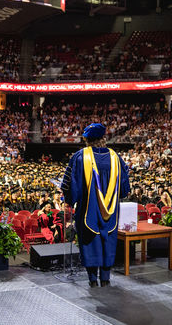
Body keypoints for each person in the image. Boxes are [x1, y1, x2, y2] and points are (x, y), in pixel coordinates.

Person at [62, 123, 131, 288]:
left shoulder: (79, 157)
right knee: (108, 241)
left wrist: (70, 200)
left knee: (90, 242)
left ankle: (93, 280)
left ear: (86, 139)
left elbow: (71, 186)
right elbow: (124, 188)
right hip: (112, 210)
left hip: (87, 210)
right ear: (103, 138)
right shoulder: (116, 157)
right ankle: (106, 279)